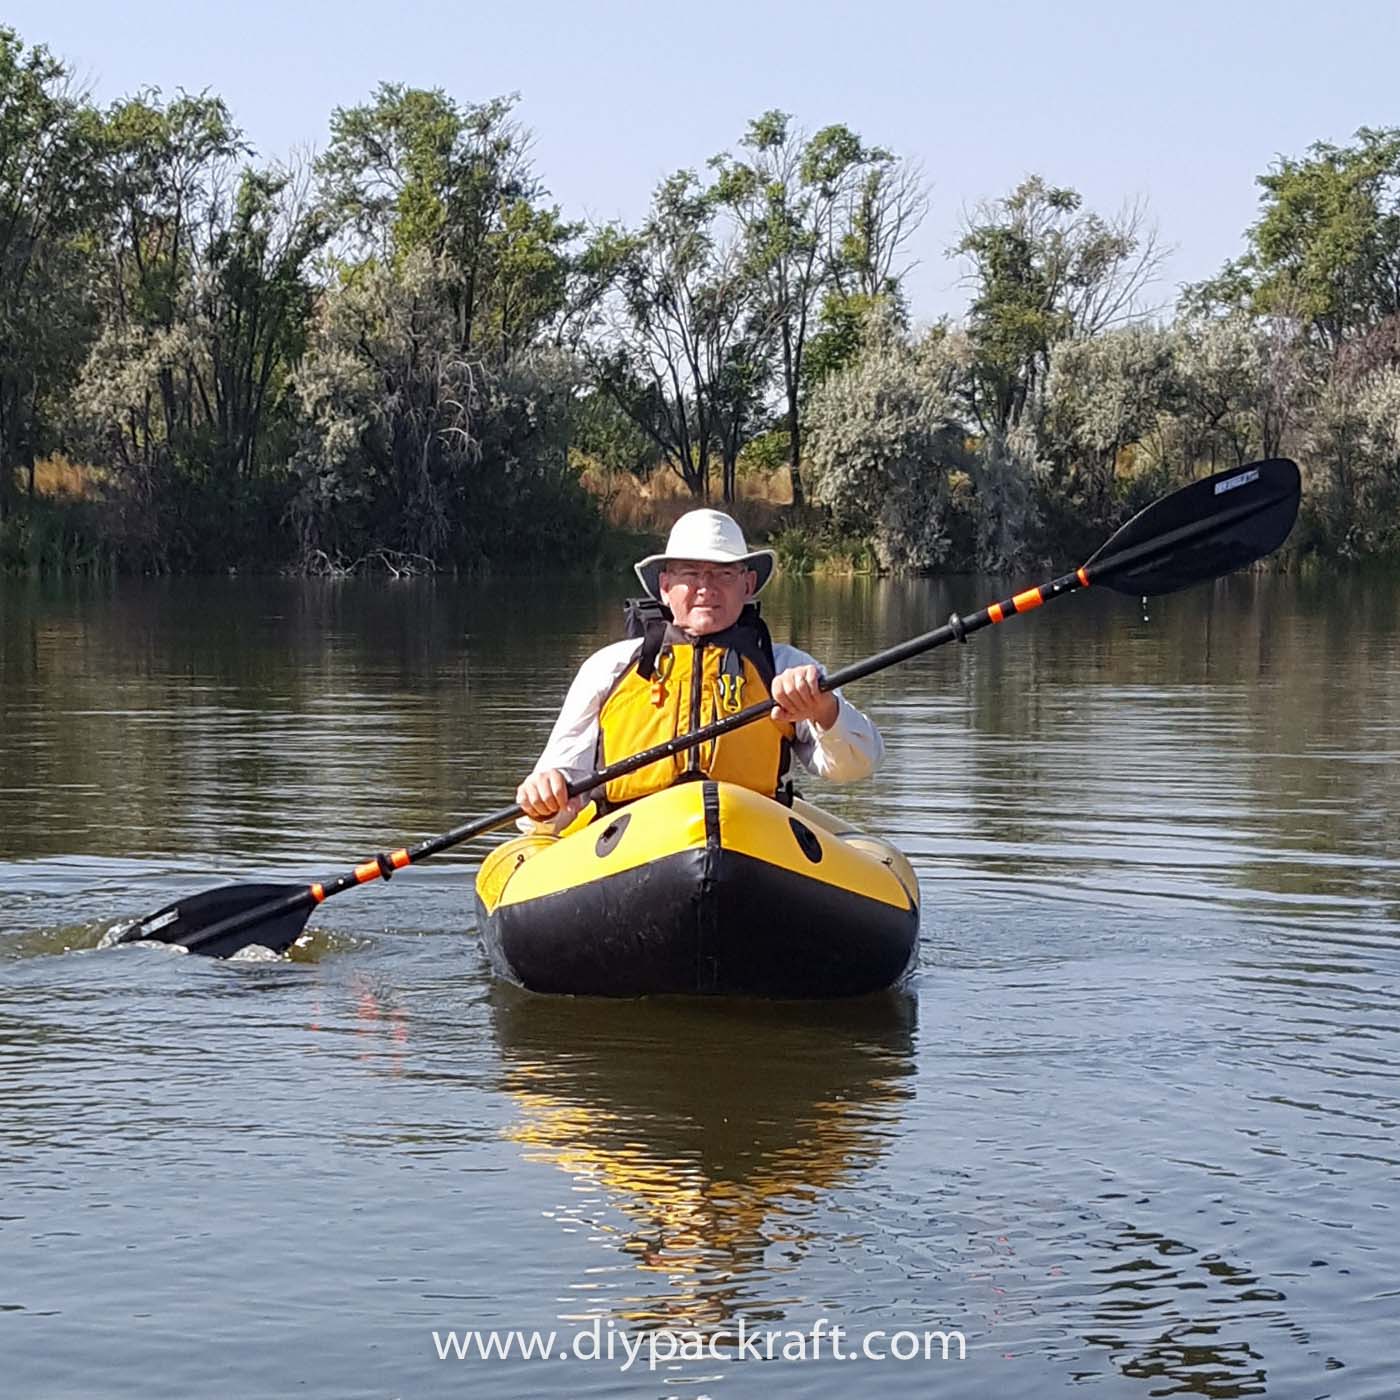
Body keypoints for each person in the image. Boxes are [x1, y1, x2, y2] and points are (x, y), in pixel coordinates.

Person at [516, 509, 883, 828]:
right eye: (690, 573)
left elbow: (857, 765)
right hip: (630, 840)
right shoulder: (608, 668)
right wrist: (546, 795)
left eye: (723, 574)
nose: (706, 587)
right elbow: (548, 800)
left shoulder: (787, 668)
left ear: (748, 584)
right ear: (665, 587)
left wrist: (824, 711)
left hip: (753, 838)